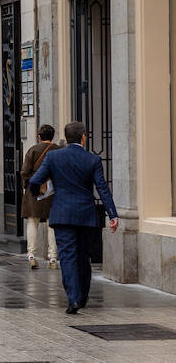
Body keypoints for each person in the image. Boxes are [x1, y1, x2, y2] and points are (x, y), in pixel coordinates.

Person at [28, 121, 119, 314]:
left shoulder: (54, 157)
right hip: (85, 215)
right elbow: (102, 188)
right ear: (84, 137)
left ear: (66, 138)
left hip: (61, 213)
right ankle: (83, 297)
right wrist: (113, 214)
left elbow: (34, 181)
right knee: (83, 257)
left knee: (67, 256)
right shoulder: (93, 160)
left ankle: (73, 299)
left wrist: (38, 194)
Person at [20, 124, 61, 269]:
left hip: (35, 188)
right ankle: (53, 258)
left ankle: (31, 255)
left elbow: (24, 171)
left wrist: (28, 186)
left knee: (32, 221)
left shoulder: (33, 150)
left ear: (39, 137)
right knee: (52, 224)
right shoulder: (58, 150)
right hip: (54, 190)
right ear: (53, 136)